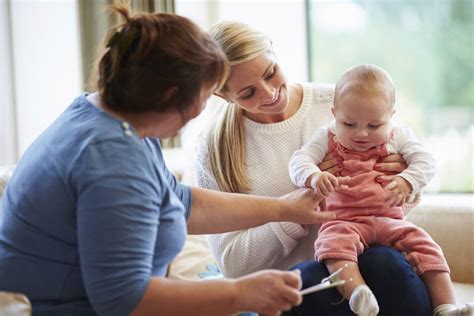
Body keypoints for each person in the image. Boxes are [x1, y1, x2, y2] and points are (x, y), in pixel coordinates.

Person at [0, 5, 338, 316]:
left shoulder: (106, 117)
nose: (205, 107)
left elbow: (180, 202)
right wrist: (238, 294)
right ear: (169, 96)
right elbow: (123, 299)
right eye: (206, 95)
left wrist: (284, 209)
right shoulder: (110, 162)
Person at [194, 21, 433, 315]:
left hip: (371, 266)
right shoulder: (214, 149)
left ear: (274, 50)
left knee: (384, 262)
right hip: (298, 291)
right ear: (222, 95)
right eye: (247, 93)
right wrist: (291, 212)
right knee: (303, 280)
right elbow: (232, 265)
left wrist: (398, 181)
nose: (269, 94)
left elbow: (393, 208)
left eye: (270, 73)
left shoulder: (340, 104)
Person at [289, 64, 472, 316]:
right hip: (344, 220)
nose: (361, 133)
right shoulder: (325, 137)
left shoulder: (399, 136)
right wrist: (313, 175)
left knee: (427, 248)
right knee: (333, 246)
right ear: (334, 114)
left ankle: (445, 307)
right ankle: (357, 294)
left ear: (391, 116)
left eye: (374, 126)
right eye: (349, 124)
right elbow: (298, 161)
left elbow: (426, 162)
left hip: (390, 220)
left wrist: (408, 180)